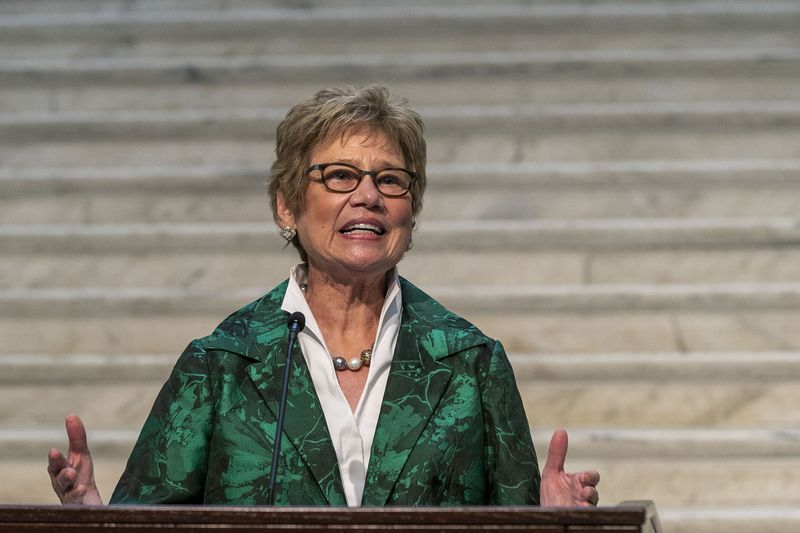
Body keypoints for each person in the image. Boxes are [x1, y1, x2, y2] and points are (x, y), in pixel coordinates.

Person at [48, 85, 600, 507]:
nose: (367, 196)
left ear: (412, 211)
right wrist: (101, 522)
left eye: (391, 180)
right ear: (286, 206)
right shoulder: (221, 363)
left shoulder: (471, 362)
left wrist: (551, 523)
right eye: (338, 176)